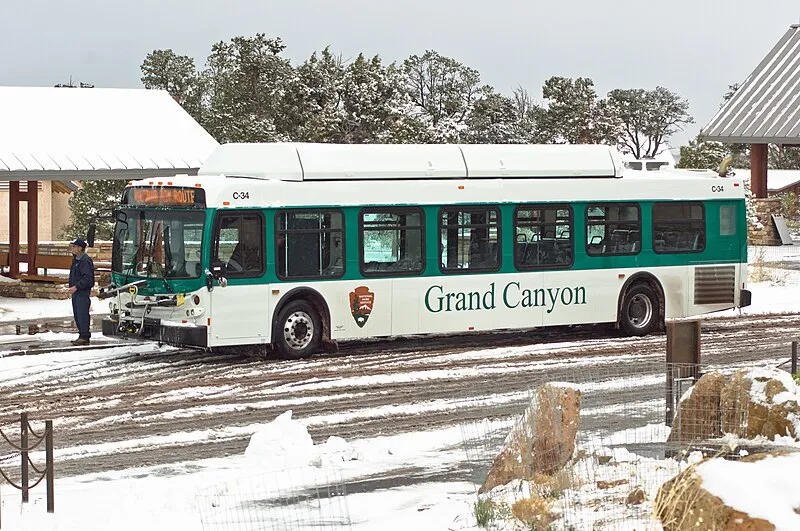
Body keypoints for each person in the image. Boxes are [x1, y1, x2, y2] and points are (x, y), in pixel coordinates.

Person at [68, 238, 95, 346]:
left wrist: (77, 286)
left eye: (74, 246)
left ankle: (84, 336)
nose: (72, 248)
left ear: (80, 248)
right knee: (77, 314)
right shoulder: (76, 259)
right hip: (76, 291)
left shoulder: (84, 260)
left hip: (82, 292)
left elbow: (88, 278)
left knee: (82, 313)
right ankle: (81, 334)